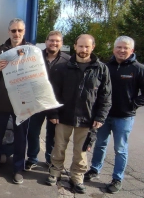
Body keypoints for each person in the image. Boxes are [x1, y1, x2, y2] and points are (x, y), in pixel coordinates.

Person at [46, 34, 112, 194]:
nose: (83, 50)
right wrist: (53, 112)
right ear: (75, 46)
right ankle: (55, 172)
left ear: (92, 47)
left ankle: (77, 177)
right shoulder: (63, 67)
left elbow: (106, 95)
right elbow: (53, 92)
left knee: (81, 151)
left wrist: (100, 117)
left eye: (87, 46)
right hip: (64, 115)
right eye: (81, 46)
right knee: (59, 147)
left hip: (87, 118)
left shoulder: (101, 69)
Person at [84, 36, 144, 194]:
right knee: (100, 144)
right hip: (103, 116)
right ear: (114, 49)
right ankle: (94, 170)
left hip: (124, 117)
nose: (122, 51)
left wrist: (134, 104)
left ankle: (117, 178)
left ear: (132, 50)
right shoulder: (105, 67)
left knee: (120, 148)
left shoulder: (138, 69)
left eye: (126, 48)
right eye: (119, 47)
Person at [0, 18, 30, 184]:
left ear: (24, 32)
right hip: (3, 99)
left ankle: (18, 168)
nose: (16, 33)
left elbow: (39, 72)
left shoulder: (30, 50)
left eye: (19, 30)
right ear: (8, 32)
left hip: (23, 100)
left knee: (21, 137)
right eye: (13, 30)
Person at [25, 31, 70, 170]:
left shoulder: (68, 61)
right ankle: (32, 158)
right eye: (51, 40)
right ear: (46, 41)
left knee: (53, 134)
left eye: (57, 41)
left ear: (61, 43)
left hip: (56, 105)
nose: (54, 43)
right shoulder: (36, 57)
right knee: (32, 132)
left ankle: (50, 159)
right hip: (37, 102)